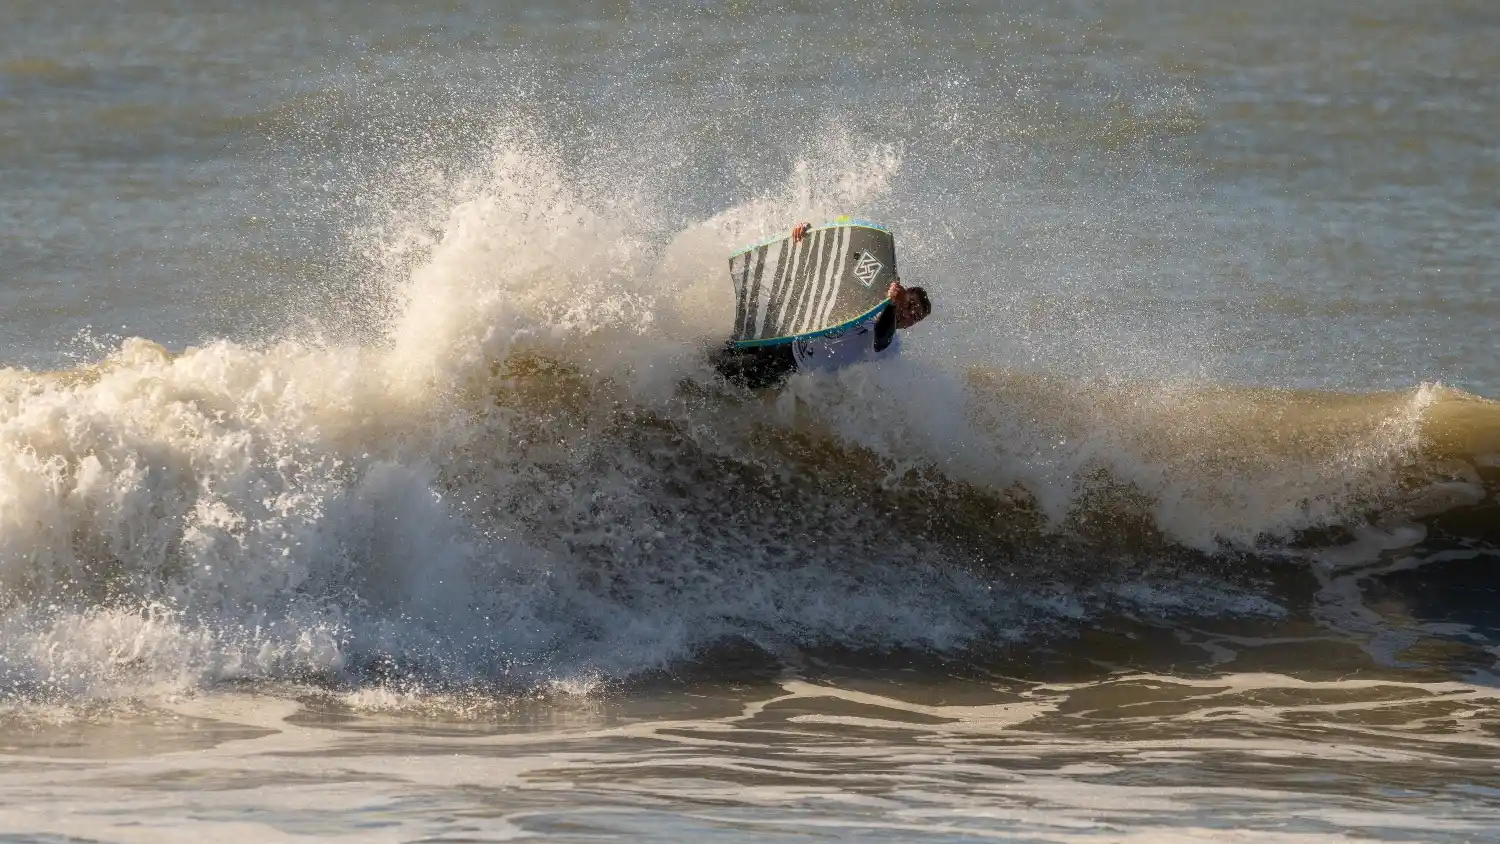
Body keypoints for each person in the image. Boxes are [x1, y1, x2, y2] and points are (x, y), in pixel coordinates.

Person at [712, 221, 932, 389]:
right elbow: (831, 270)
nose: (912, 316)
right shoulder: (864, 298)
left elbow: (882, 336)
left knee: (717, 379)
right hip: (782, 334)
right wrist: (809, 236)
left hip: (789, 365)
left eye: (917, 317)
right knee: (708, 358)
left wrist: (891, 306)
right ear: (902, 293)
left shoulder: (891, 345)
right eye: (911, 306)